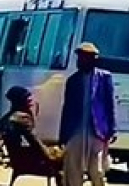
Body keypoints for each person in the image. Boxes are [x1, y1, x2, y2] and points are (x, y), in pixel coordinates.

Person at [59, 42, 116, 186]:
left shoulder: (105, 78)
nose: (81, 61)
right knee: (73, 170)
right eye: (79, 58)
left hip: (97, 131)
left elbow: (110, 105)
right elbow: (67, 109)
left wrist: (112, 129)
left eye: (84, 58)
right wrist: (63, 136)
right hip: (75, 131)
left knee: (97, 171)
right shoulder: (73, 80)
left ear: (93, 59)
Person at [0, 86, 64, 185]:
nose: (31, 101)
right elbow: (36, 143)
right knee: (62, 164)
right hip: (28, 163)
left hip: (17, 160)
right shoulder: (23, 119)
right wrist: (52, 157)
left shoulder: (6, 118)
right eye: (27, 99)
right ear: (20, 101)